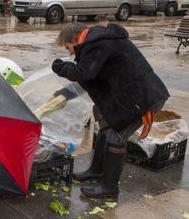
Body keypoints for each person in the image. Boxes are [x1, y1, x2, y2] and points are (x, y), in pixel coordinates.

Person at [51, 23, 169, 199]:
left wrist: (59, 67)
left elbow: (84, 73)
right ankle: (96, 171)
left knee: (116, 136)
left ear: (74, 40)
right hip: (131, 95)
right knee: (105, 126)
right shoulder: (96, 43)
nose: (70, 53)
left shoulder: (97, 43)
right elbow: (89, 78)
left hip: (141, 98)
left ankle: (110, 188)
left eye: (68, 48)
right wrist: (63, 95)